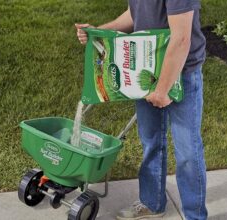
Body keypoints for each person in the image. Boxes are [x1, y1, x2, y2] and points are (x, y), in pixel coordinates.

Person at [75, 1, 207, 219]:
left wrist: (162, 89)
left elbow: (182, 38)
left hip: (181, 73)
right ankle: (152, 203)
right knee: (151, 140)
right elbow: (135, 13)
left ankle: (195, 215)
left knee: (187, 151)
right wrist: (99, 32)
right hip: (148, 65)